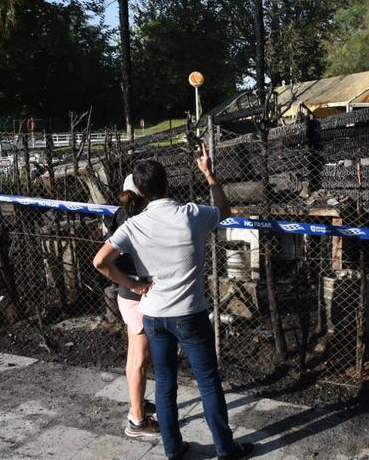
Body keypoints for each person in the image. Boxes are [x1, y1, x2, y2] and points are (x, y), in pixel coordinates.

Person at [92, 143, 254, 460]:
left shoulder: (132, 225)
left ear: (139, 191)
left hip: (154, 316)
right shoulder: (191, 214)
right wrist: (209, 175)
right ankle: (225, 448)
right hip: (190, 314)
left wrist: (132, 284)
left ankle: (174, 450)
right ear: (168, 183)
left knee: (165, 385)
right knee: (208, 383)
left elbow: (100, 261)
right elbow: (224, 211)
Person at [102, 175, 161, 438]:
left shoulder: (120, 215)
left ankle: (138, 405)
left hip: (129, 291)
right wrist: (135, 284)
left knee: (134, 355)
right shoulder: (141, 220)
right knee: (140, 358)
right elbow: (103, 260)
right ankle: (137, 420)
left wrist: (128, 283)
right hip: (138, 291)